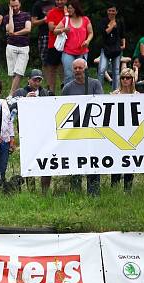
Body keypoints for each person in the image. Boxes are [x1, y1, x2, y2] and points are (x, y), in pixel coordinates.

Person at [61, 58, 102, 195]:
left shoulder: (95, 84)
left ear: (86, 68)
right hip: (74, 132)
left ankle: (94, 191)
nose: (78, 70)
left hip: (92, 130)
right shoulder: (67, 88)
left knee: (93, 161)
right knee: (75, 161)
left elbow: (102, 104)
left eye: (80, 68)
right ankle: (76, 191)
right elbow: (63, 109)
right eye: (75, 68)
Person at [12, 69, 53, 193]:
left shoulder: (46, 93)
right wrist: (24, 99)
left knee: (46, 161)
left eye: (39, 79)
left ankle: (45, 191)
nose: (37, 82)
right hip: (26, 134)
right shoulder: (20, 92)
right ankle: (32, 191)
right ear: (28, 80)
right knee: (29, 162)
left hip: (44, 133)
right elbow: (11, 109)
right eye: (35, 79)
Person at [110, 68, 137, 191]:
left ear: (133, 79)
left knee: (129, 161)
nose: (125, 80)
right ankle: (114, 188)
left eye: (128, 78)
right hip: (117, 132)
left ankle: (128, 189)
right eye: (123, 78)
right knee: (116, 160)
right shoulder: (114, 95)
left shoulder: (139, 97)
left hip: (132, 133)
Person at [54, 0, 93, 85]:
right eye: (68, 8)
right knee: (69, 74)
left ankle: (84, 93)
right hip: (68, 52)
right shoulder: (66, 19)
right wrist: (63, 30)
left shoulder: (85, 19)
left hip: (82, 51)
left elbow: (91, 33)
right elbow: (55, 31)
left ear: (76, 8)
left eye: (70, 8)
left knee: (83, 73)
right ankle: (69, 95)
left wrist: (87, 41)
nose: (68, 10)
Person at [3, 0, 32, 97]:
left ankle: (11, 94)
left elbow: (28, 29)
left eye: (16, 6)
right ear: (9, 6)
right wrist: (11, 16)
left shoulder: (26, 15)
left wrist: (15, 33)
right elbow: (10, 30)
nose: (15, 8)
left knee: (19, 72)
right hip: (11, 47)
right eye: (12, 6)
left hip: (23, 47)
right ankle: (17, 95)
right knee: (13, 74)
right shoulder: (7, 17)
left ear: (20, 4)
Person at [96, 5, 126, 91]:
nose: (111, 12)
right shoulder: (103, 21)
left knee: (116, 71)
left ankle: (115, 91)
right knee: (101, 70)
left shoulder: (120, 21)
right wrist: (112, 25)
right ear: (107, 11)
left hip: (117, 49)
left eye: (113, 11)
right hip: (106, 48)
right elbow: (104, 33)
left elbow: (123, 34)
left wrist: (123, 44)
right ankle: (99, 91)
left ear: (116, 12)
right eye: (109, 10)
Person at [45, 0, 69, 94]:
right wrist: (64, 28)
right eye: (57, 0)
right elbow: (51, 28)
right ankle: (51, 91)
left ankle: (66, 89)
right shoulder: (51, 12)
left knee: (65, 67)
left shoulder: (70, 11)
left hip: (68, 44)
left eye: (61, 0)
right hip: (54, 44)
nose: (59, 2)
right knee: (52, 68)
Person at [32, 0, 56, 71]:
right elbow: (33, 22)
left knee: (60, 61)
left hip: (57, 34)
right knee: (45, 61)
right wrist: (44, 20)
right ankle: (47, 81)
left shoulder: (55, 2)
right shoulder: (37, 4)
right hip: (44, 35)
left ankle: (63, 82)